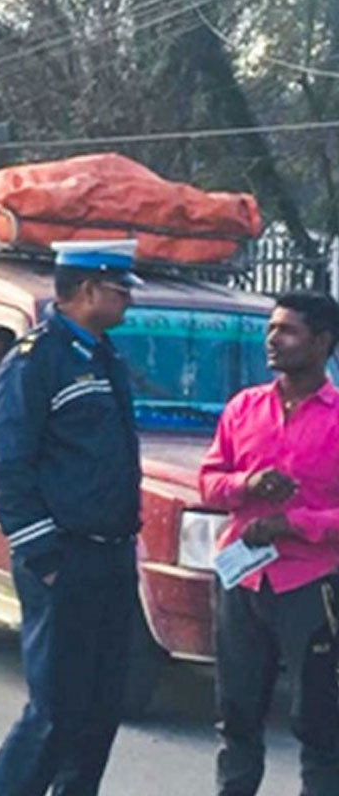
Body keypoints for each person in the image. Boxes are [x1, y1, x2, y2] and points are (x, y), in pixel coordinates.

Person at [0, 239, 144, 796]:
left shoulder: (102, 356)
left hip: (112, 553)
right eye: (121, 290)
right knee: (55, 711)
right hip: (64, 557)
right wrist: (43, 556)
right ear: (89, 289)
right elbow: (6, 466)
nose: (128, 302)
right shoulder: (36, 360)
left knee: (100, 710)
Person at [199, 291, 339, 796]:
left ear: (322, 342)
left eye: (288, 331)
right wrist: (247, 486)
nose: (273, 340)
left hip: (313, 585)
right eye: (271, 328)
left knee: (320, 721)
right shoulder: (244, 408)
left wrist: (293, 523)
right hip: (242, 579)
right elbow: (209, 482)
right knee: (236, 712)